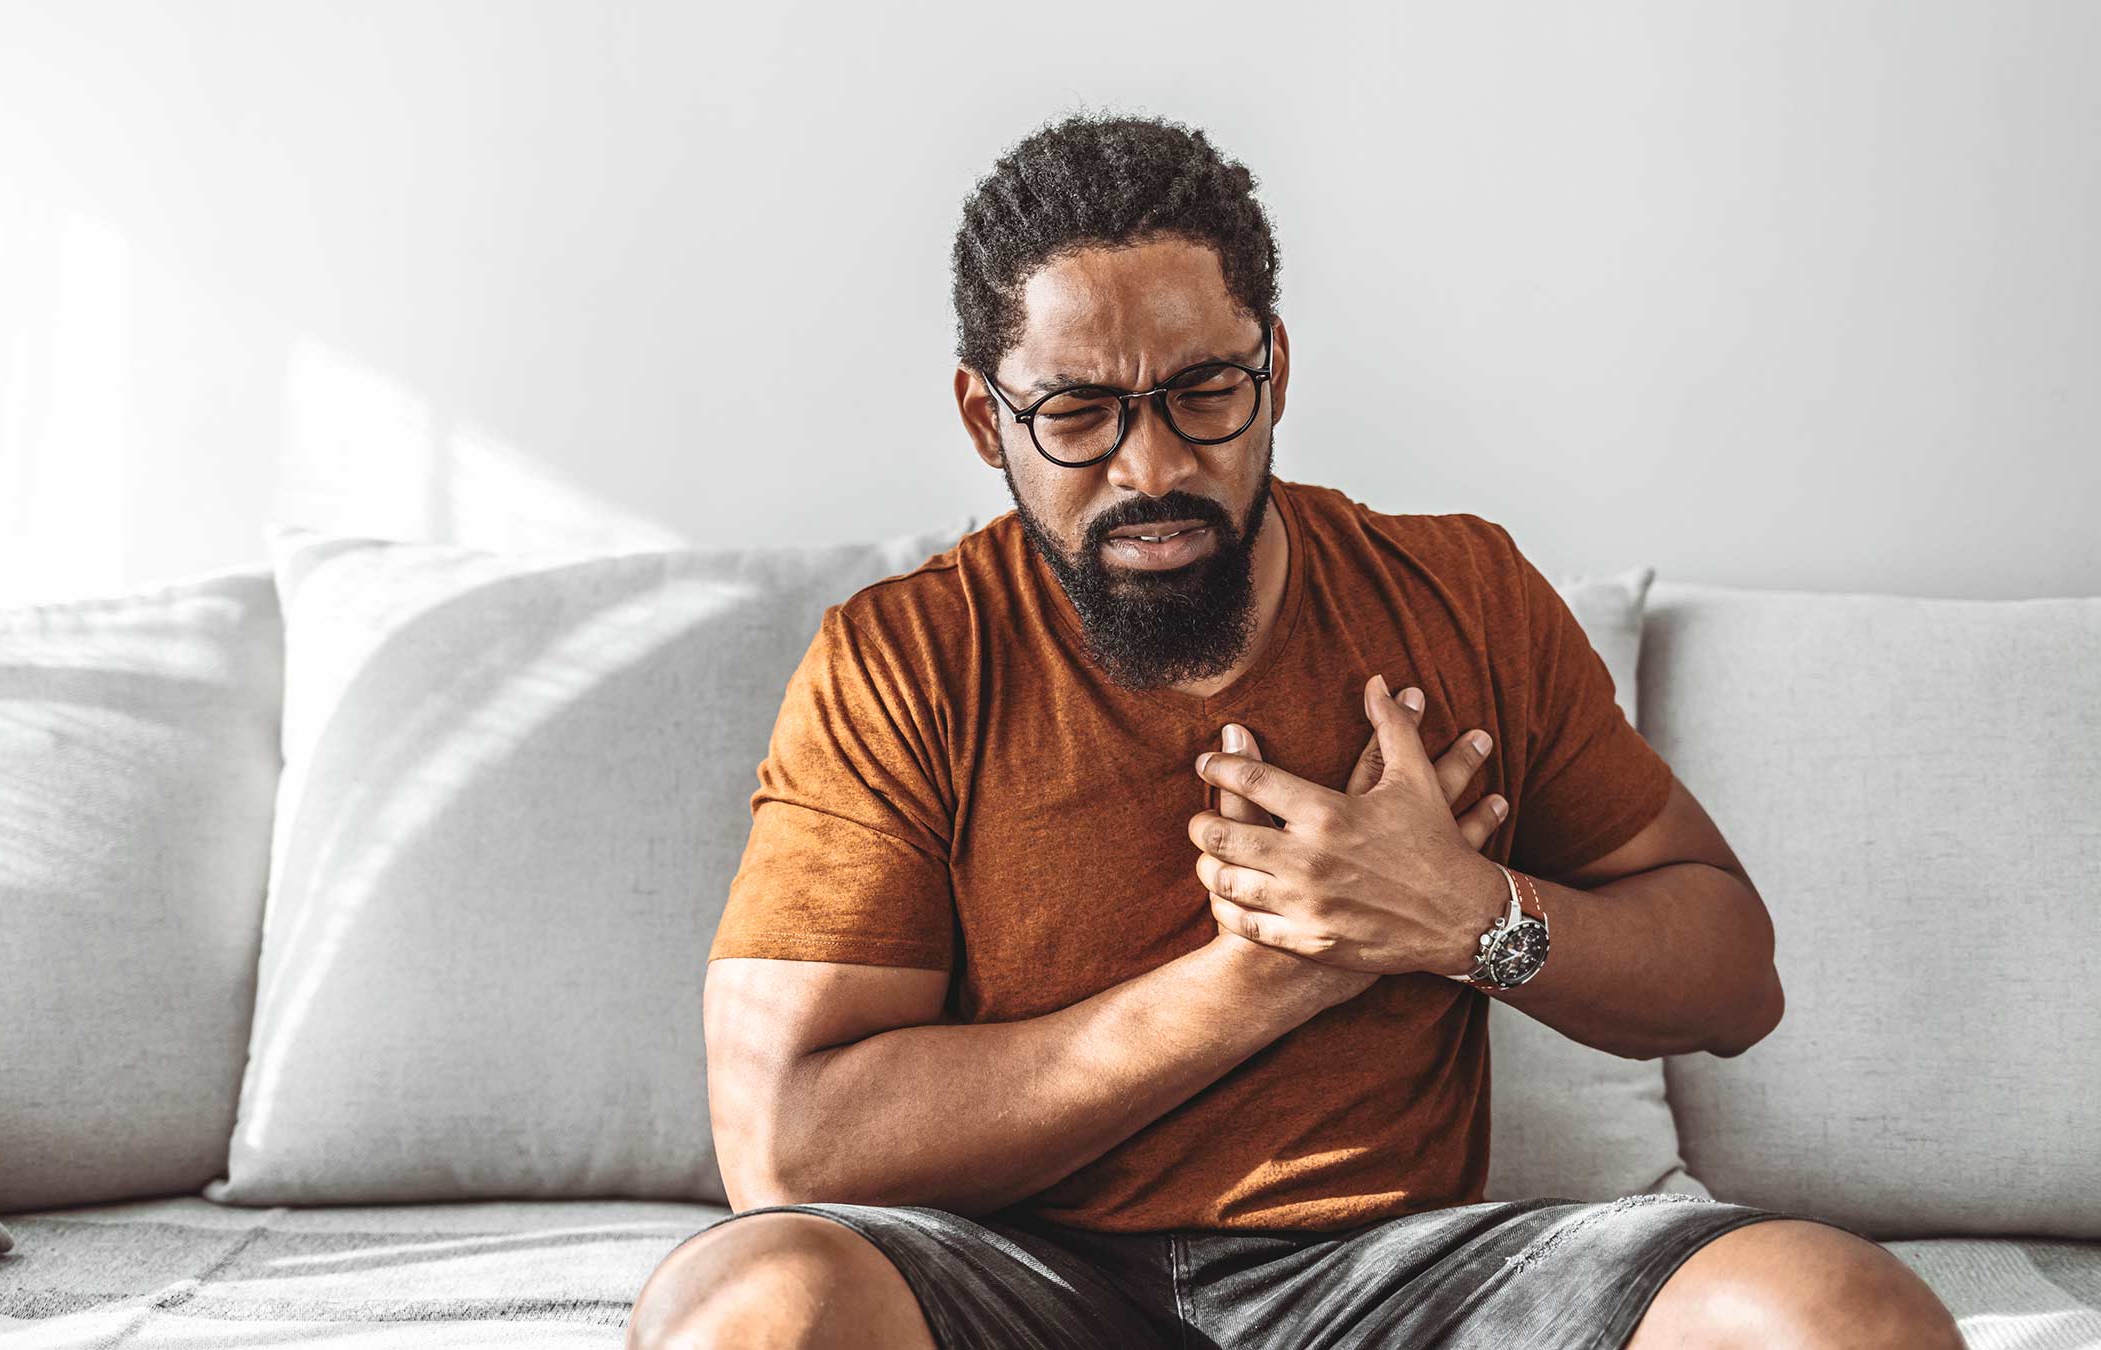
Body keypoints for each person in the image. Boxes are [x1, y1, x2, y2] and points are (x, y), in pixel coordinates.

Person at [627, 113, 1964, 1350]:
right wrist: (1265, 973)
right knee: (752, 1305)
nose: (1149, 468)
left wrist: (1467, 916)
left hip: (1399, 1271)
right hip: (1010, 1268)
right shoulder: (904, 659)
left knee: (1839, 1312)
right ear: (988, 418)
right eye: (1078, 415)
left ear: (1275, 369)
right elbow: (789, 1145)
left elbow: (1734, 976)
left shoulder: (1459, 594)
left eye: (1202, 390)